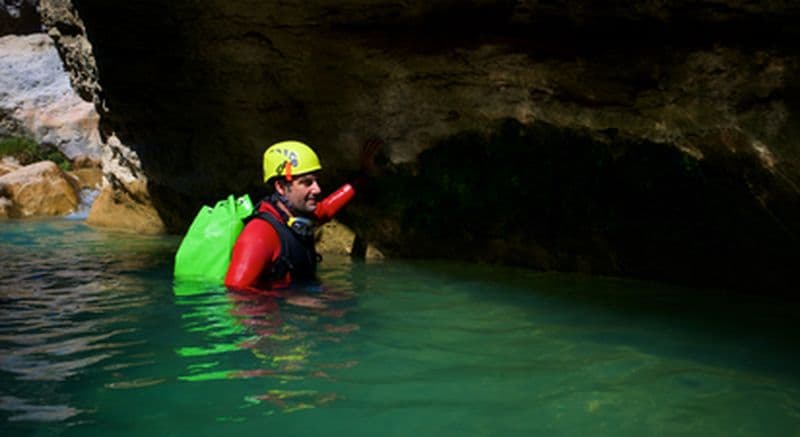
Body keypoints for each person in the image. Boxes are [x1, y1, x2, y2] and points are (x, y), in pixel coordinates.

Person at [224, 139, 380, 292]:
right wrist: (292, 301)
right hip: (279, 310)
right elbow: (236, 294)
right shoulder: (259, 234)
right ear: (281, 187)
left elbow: (327, 208)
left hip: (299, 299)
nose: (317, 189)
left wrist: (364, 175)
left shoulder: (298, 216)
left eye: (316, 181)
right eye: (307, 183)